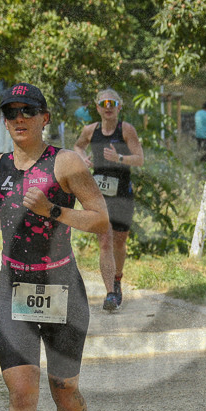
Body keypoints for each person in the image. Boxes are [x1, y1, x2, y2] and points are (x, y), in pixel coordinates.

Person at [0, 83, 110, 411]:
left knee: (64, 390)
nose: (19, 118)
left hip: (61, 286)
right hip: (13, 285)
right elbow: (0, 207)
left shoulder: (66, 163)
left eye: (28, 110)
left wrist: (54, 210)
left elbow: (100, 219)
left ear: (44, 117)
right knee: (21, 393)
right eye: (11, 111)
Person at [73, 88, 144, 312]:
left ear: (119, 107)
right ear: (97, 108)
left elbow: (139, 159)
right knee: (105, 241)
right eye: (104, 104)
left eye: (112, 103)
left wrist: (119, 157)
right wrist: (83, 159)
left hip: (122, 193)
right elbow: (77, 146)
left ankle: (117, 278)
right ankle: (110, 293)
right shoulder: (90, 130)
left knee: (119, 242)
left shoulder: (126, 130)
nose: (108, 107)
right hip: (99, 194)